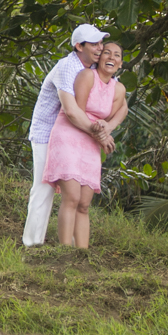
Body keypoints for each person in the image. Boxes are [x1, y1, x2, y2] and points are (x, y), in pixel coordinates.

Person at [22, 24, 112, 247]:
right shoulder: (67, 67)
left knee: (77, 192)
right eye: (94, 44)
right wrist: (100, 136)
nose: (100, 48)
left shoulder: (91, 68)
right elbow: (71, 111)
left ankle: (73, 248)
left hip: (75, 136)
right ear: (78, 46)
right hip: (48, 134)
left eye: (101, 43)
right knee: (44, 188)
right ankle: (32, 244)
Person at [42, 41, 127, 248]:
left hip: (92, 142)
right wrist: (102, 135)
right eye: (107, 53)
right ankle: (65, 250)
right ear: (100, 58)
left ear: (120, 63)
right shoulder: (87, 76)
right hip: (70, 134)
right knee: (71, 197)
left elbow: (120, 111)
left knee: (84, 204)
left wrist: (108, 129)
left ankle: (82, 252)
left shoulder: (119, 88)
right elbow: (78, 112)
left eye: (116, 55)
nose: (111, 58)